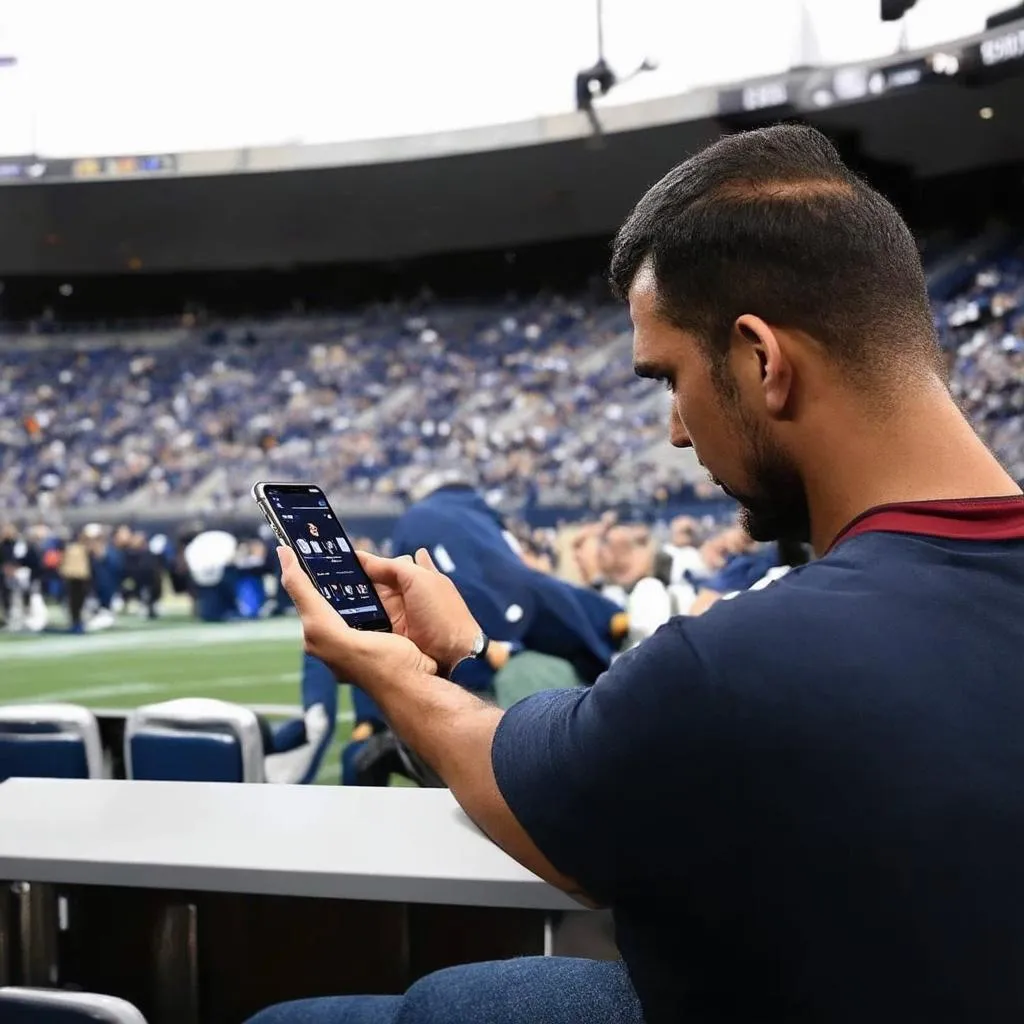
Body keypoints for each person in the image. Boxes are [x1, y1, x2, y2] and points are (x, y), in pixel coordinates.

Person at [246, 124, 1024, 1024]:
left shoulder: (750, 658)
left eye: (669, 380)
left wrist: (388, 668)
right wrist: (463, 653)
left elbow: (534, 791)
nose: (678, 432)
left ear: (761, 360)